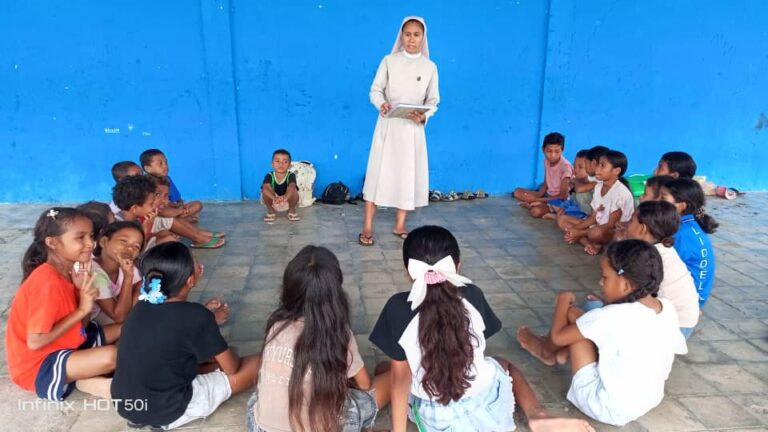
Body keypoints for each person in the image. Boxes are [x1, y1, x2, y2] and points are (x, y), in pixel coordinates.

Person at [370, 225, 595, 432]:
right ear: (458, 265)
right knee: (503, 364)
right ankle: (537, 415)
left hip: (438, 418)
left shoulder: (397, 307)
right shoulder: (472, 294)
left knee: (388, 370)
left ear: (408, 270)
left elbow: (400, 378)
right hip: (487, 403)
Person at [517, 240, 687, 426]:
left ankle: (546, 352)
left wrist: (563, 301)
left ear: (625, 285)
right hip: (647, 401)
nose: (600, 282)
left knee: (573, 314)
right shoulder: (666, 307)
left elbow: (558, 336)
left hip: (604, 406)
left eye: (605, 277)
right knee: (590, 320)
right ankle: (561, 353)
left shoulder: (612, 316)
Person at [111, 242, 259, 430]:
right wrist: (229, 355)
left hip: (126, 405)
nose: (200, 265)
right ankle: (164, 422)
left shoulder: (141, 306)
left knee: (206, 360)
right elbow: (232, 368)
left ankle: (142, 419)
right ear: (190, 280)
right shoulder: (196, 315)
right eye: (196, 262)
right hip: (169, 408)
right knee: (259, 362)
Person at [248, 246, 389, 432]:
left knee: (257, 398)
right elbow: (364, 384)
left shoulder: (276, 325)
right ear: (335, 293)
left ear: (288, 288)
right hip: (323, 426)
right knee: (391, 378)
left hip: (261, 428)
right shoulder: (338, 333)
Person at [6, 208, 119, 401]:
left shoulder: (68, 274)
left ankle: (87, 376)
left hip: (67, 344)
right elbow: (35, 342)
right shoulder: (46, 282)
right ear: (53, 243)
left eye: (91, 236)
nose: (90, 243)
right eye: (80, 237)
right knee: (113, 356)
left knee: (127, 328)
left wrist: (83, 298)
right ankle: (85, 380)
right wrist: (82, 309)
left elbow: (82, 327)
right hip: (38, 366)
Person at [360, 16, 440, 246]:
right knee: (377, 173)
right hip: (388, 125)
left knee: (407, 173)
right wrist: (381, 103)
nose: (411, 39)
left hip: (412, 129)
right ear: (401, 36)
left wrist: (424, 115)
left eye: (416, 35)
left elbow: (433, 100)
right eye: (407, 34)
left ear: (423, 37)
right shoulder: (389, 61)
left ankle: (400, 224)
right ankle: (367, 226)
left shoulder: (430, 67)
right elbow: (375, 90)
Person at [558, 150, 634, 255]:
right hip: (598, 226)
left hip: (613, 232)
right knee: (562, 220)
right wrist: (574, 229)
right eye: (598, 165)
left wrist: (579, 232)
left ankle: (592, 241)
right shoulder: (598, 187)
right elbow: (594, 218)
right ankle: (589, 244)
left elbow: (610, 225)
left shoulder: (620, 193)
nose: (597, 169)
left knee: (595, 233)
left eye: (602, 166)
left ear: (616, 171)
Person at [660, 178, 718, 307]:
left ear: (681, 206)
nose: (657, 202)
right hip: (694, 296)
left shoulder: (681, 234)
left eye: (663, 198)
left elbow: (660, 267)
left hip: (687, 301)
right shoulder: (688, 225)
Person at [90, 221, 145, 325]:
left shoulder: (128, 268)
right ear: (104, 242)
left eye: (136, 247)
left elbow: (139, 287)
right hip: (91, 321)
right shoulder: (94, 272)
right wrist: (128, 277)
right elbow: (119, 316)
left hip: (109, 314)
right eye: (124, 241)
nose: (130, 248)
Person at [514, 132, 574, 218]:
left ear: (562, 150)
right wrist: (536, 196)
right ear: (543, 149)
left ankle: (542, 207)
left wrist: (536, 199)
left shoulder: (566, 167)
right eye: (549, 151)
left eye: (557, 151)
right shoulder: (546, 161)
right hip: (547, 195)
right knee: (517, 192)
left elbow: (563, 196)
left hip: (559, 201)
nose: (552, 155)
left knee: (535, 212)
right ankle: (536, 203)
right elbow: (546, 185)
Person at [140, 148, 203, 220]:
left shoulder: (167, 179)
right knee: (161, 210)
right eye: (160, 164)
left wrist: (179, 205)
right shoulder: (146, 182)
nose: (165, 166)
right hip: (160, 210)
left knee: (198, 204)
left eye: (166, 162)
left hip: (172, 208)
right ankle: (181, 219)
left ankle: (179, 218)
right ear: (148, 168)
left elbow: (177, 199)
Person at [261, 149, 300, 223]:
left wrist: (285, 198)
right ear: (272, 164)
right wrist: (274, 198)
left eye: (285, 162)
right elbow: (265, 188)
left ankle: (291, 210)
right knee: (264, 190)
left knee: (294, 190)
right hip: (273, 200)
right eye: (277, 161)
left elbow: (292, 186)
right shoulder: (269, 175)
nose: (281, 164)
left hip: (287, 200)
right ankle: (271, 211)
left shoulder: (291, 175)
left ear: (290, 165)